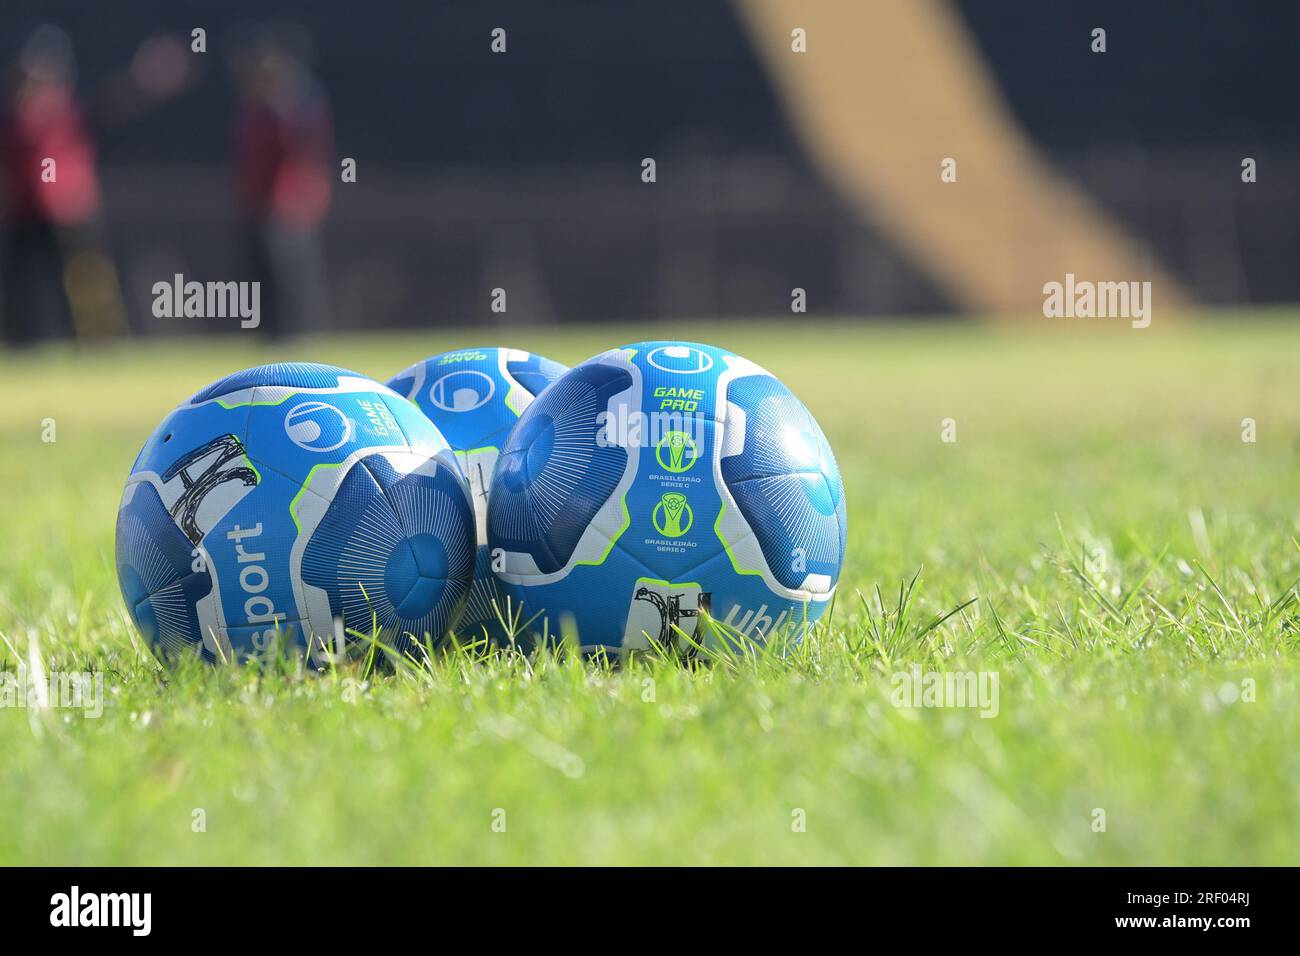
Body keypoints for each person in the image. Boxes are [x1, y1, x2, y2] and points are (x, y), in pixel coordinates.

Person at [230, 25, 334, 338]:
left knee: (292, 272)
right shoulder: (255, 107)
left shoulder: (298, 103)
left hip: (291, 204)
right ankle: (270, 332)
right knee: (263, 271)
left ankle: (300, 331)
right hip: (260, 203)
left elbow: (305, 154)